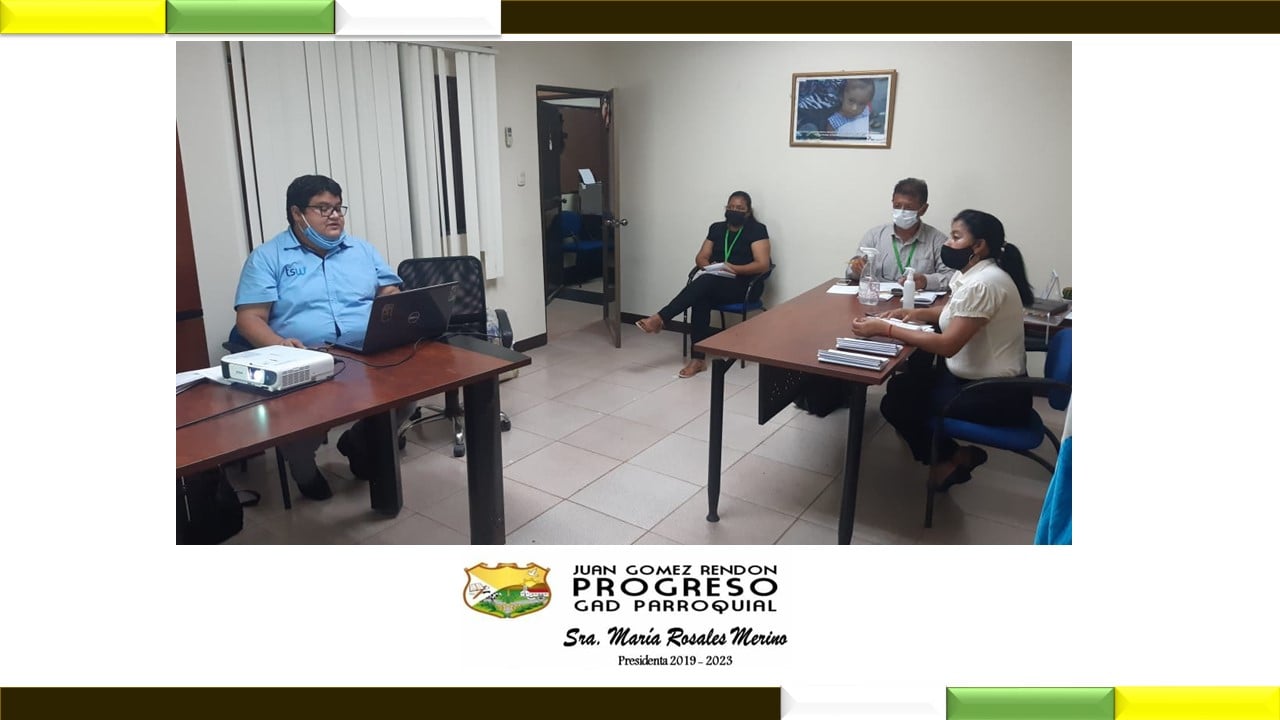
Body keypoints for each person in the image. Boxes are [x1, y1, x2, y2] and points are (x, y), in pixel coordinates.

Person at [233, 174, 405, 500]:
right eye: (323, 208)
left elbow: (389, 290)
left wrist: (391, 310)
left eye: (338, 207)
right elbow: (249, 319)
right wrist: (281, 346)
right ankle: (304, 471)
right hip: (307, 360)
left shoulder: (361, 250)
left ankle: (358, 442)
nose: (335, 215)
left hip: (369, 353)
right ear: (297, 214)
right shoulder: (268, 257)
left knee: (407, 398)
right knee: (303, 429)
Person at [850, 209, 1035, 493]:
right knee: (901, 385)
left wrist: (885, 328)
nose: (948, 243)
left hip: (996, 394)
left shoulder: (984, 284)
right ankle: (952, 455)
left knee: (897, 404)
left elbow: (948, 345)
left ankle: (947, 458)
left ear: (979, 245)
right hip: (979, 381)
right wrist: (910, 314)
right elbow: (953, 312)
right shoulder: (975, 274)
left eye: (956, 237)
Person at [635, 191, 772, 379]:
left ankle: (661, 318)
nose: (734, 210)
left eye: (740, 208)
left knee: (704, 286)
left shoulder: (757, 230)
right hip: (717, 281)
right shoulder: (717, 228)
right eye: (731, 207)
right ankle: (697, 359)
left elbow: (762, 264)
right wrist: (711, 267)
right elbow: (701, 257)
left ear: (748, 212)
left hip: (745, 285)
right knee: (702, 295)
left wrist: (735, 269)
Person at [846, 177, 952, 292]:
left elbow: (952, 277)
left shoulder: (938, 241)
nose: (901, 211)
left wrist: (926, 281)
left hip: (917, 301)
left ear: (923, 209)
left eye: (909, 207)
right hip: (879, 299)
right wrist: (855, 269)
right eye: (897, 206)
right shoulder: (874, 236)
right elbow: (851, 272)